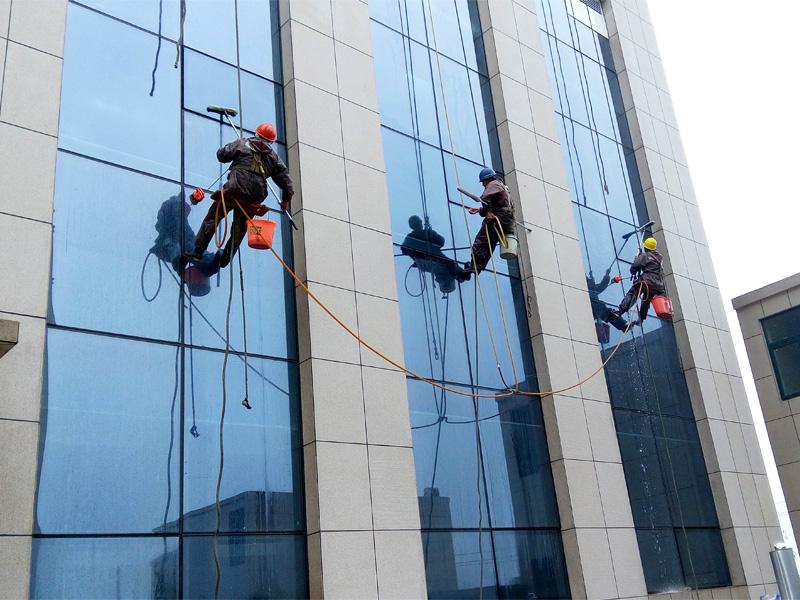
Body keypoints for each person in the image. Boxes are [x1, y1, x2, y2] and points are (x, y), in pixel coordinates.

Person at [187, 122, 294, 268]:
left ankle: (198, 251)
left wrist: (230, 149)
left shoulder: (242, 143)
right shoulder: (274, 158)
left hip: (234, 190)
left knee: (213, 217)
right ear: (271, 142)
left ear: (257, 134)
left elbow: (221, 155)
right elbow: (287, 183)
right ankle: (226, 258)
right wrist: (285, 200)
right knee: (239, 229)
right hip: (254, 197)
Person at [463, 167, 515, 275]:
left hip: (498, 219)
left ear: (488, 178)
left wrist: (486, 212)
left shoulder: (494, 184)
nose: (483, 184)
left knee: (481, 240)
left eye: (483, 181)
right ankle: (478, 267)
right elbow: (497, 205)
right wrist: (480, 211)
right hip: (506, 221)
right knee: (489, 244)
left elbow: (485, 197)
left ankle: (474, 265)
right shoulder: (502, 187)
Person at [401, 215, 469, 293]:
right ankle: (461, 277)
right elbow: (404, 249)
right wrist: (417, 255)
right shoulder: (411, 237)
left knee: (450, 263)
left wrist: (431, 234)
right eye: (417, 223)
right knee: (449, 264)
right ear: (413, 226)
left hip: (434, 258)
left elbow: (441, 242)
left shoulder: (426, 233)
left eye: (419, 223)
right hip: (427, 261)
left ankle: (462, 275)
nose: (419, 224)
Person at [611, 237, 665, 324]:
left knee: (633, 293)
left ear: (646, 247)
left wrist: (637, 260)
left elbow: (634, 267)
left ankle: (620, 312)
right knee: (646, 300)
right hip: (657, 285)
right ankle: (642, 319)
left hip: (646, 281)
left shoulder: (645, 256)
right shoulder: (659, 258)